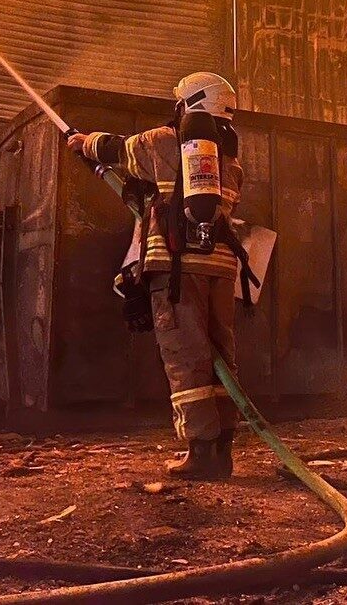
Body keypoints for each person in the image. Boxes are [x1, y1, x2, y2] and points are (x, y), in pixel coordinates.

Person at [66, 72, 247, 479]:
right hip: (221, 268)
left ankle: (201, 455)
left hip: (178, 268)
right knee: (221, 357)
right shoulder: (229, 161)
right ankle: (222, 451)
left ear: (187, 104)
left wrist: (83, 142)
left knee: (186, 359)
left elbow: (119, 149)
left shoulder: (166, 142)